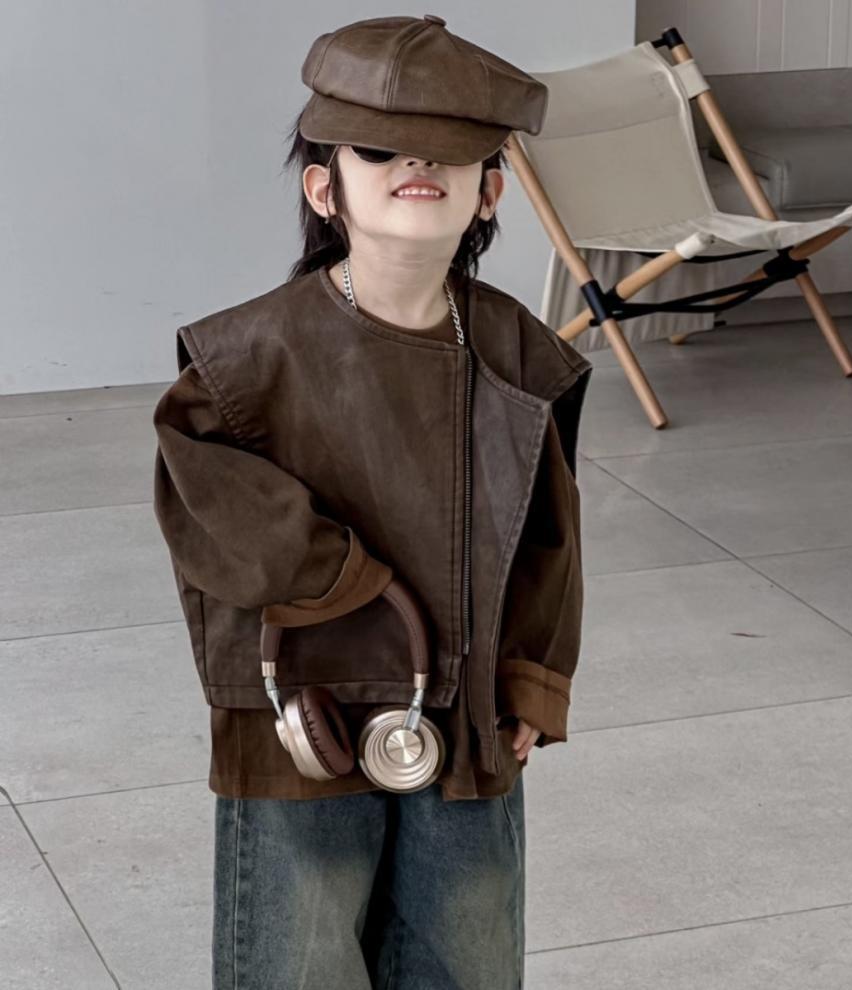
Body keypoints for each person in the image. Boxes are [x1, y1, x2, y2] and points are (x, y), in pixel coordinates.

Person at [152, 14, 593, 989]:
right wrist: (342, 575)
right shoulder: (242, 359)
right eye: (380, 149)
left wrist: (532, 678)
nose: (415, 164)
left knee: (464, 956)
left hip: (467, 712)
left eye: (448, 151)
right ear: (325, 187)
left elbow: (548, 538)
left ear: (488, 192)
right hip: (300, 712)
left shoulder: (521, 355)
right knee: (298, 959)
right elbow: (207, 500)